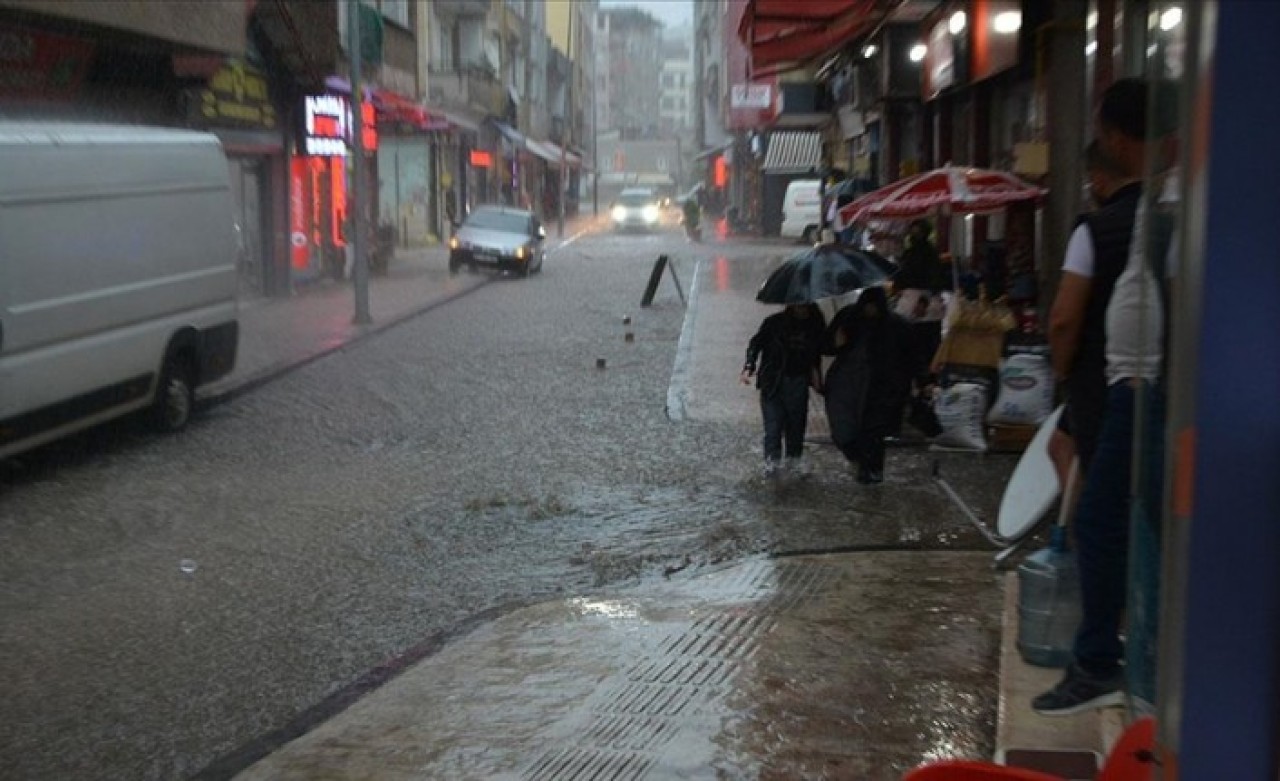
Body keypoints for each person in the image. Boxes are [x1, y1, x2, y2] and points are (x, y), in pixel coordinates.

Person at [1033, 77, 1180, 717]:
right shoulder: (1168, 205)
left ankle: (1106, 661)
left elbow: (1064, 320)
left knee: (1104, 519)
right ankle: (1140, 656)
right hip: (1136, 389)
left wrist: (1063, 379)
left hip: (1134, 391)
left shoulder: (1106, 225)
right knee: (1138, 521)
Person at [1046, 139, 1133, 497]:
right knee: (1062, 445)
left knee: (1086, 462)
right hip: (1150, 380)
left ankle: (1080, 535)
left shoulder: (1092, 231)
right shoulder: (1167, 222)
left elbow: (1064, 319)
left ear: (1098, 179)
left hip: (1097, 377)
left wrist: (1063, 369)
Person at [821, 287, 913, 483]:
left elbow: (907, 359)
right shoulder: (847, 318)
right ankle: (859, 460)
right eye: (867, 306)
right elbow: (826, 347)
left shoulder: (896, 326)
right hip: (846, 384)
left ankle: (872, 474)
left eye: (874, 307)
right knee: (843, 429)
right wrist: (837, 342)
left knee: (873, 431)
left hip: (879, 388)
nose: (870, 311)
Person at [741, 304, 827, 476]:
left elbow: (816, 353)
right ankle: (771, 469)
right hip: (772, 383)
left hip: (798, 383)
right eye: (798, 306)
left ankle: (792, 467)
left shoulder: (814, 326)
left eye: (805, 306)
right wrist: (749, 365)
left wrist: (815, 373)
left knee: (795, 429)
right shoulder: (774, 323)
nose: (802, 309)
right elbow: (756, 343)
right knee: (773, 428)